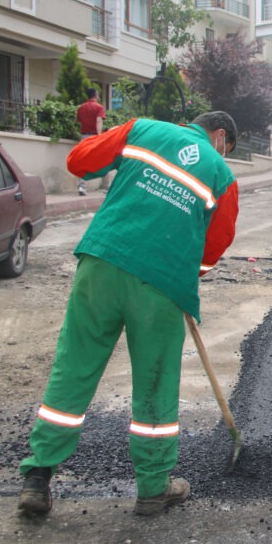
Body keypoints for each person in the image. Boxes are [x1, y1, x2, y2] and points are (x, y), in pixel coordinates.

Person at [17, 111, 241, 518]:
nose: (224, 154)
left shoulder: (143, 129)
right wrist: (187, 275)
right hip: (161, 286)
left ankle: (38, 477)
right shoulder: (222, 175)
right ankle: (154, 489)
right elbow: (218, 241)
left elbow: (79, 162)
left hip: (102, 262)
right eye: (226, 147)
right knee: (155, 382)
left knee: (74, 366)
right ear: (219, 135)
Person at [75, 87, 106, 196]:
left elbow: (79, 122)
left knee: (83, 160)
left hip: (84, 136)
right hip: (94, 136)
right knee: (104, 159)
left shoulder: (81, 108)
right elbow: (98, 121)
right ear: (95, 95)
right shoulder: (99, 107)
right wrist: (99, 136)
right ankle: (106, 185)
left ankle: (81, 186)